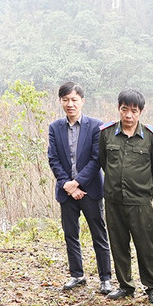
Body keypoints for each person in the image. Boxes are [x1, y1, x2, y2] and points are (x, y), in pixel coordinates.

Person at [47, 81, 113, 292]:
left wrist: (77, 183)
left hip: (90, 190)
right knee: (70, 234)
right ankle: (77, 275)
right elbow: (53, 158)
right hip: (66, 191)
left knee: (99, 234)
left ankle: (105, 278)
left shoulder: (95, 126)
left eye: (74, 100)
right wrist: (67, 184)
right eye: (65, 100)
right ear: (61, 101)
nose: (70, 104)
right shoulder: (55, 127)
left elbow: (96, 159)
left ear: (82, 101)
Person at [99, 88, 153, 305]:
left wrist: (141, 187)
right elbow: (103, 162)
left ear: (141, 112)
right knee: (118, 243)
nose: (128, 115)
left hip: (140, 201)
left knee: (145, 245)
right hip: (114, 200)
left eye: (133, 111)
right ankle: (125, 285)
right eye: (124, 109)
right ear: (118, 109)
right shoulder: (106, 133)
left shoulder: (152, 137)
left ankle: (152, 287)